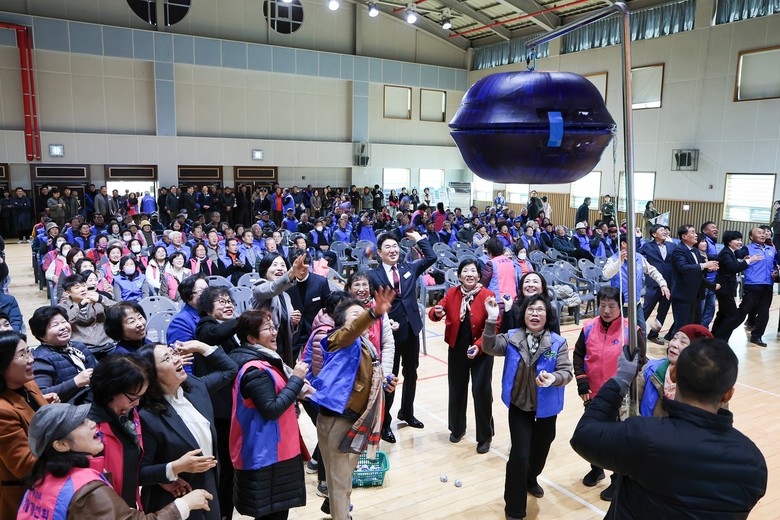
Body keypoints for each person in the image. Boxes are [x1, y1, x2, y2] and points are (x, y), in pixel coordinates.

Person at [571, 339, 767, 518]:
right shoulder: (753, 463)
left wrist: (621, 380)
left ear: (673, 375)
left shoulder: (645, 438)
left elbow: (584, 435)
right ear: (728, 394)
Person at [19, 403, 213, 519]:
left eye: (86, 418)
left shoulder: (42, 477)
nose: (92, 423)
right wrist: (185, 504)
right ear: (61, 445)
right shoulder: (87, 490)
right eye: (80, 423)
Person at [481, 295, 573, 519]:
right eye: (531, 310)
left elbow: (566, 372)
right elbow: (489, 346)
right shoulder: (513, 337)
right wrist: (491, 320)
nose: (535, 314)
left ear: (547, 316)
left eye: (540, 310)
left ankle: (531, 479)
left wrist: (553, 378)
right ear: (524, 314)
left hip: (546, 409)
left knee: (540, 452)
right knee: (519, 456)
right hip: (519, 406)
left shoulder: (558, 342)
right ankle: (514, 509)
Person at [310, 289, 397, 520]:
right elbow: (350, 332)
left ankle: (338, 513)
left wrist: (384, 383)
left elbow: (365, 378)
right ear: (342, 323)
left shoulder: (364, 344)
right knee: (341, 483)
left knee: (339, 479)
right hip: (338, 420)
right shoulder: (338, 339)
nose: (362, 318)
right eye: (356, 316)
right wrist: (372, 313)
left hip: (349, 418)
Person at [136, 341, 237, 520]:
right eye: (167, 359)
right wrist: (175, 467)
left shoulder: (195, 388)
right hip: (174, 499)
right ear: (152, 374)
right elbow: (140, 473)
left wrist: (200, 346)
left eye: (173, 353)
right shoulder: (147, 416)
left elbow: (230, 369)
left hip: (210, 487)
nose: (176, 359)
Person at [230, 309, 311, 520]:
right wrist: (296, 379)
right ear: (251, 338)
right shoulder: (254, 370)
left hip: (276, 450)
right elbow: (272, 409)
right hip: (267, 455)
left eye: (274, 327)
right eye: (267, 328)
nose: (274, 332)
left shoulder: (266, 360)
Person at [573, 286, 646, 500]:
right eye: (602, 305)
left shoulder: (631, 330)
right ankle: (596, 469)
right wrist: (582, 381)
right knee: (593, 433)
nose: (606, 310)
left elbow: (641, 361)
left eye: (611, 306)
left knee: (616, 439)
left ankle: (617, 480)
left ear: (620, 307)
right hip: (593, 392)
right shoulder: (588, 327)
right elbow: (578, 355)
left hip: (619, 396)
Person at [367, 230, 436, 441]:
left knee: (411, 373)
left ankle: (407, 412)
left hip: (412, 329)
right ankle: (384, 422)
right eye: (387, 247)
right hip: (390, 334)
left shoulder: (409, 268)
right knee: (389, 377)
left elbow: (431, 257)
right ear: (379, 252)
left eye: (395, 246)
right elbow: (369, 303)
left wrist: (420, 239)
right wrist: (383, 321)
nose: (392, 250)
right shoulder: (373, 275)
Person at [429, 259, 495, 453]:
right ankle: (457, 428)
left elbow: (495, 325)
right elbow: (435, 312)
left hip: (481, 351)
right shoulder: (452, 293)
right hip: (457, 350)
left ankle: (485, 436)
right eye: (465, 271)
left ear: (479, 275)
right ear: (459, 276)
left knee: (481, 393)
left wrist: (479, 346)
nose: (469, 274)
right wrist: (436, 312)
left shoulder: (487, 295)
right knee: (456, 390)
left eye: (473, 271)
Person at [0, 331, 56, 519]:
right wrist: (72, 452)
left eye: (29, 351)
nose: (31, 359)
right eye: (22, 355)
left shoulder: (27, 384)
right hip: (27, 496)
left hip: (49, 483)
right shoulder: (2, 410)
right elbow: (25, 465)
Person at [87, 354, 149, 508]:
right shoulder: (88, 429)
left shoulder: (129, 414)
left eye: (140, 397)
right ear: (110, 390)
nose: (137, 403)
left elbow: (132, 468)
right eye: (132, 398)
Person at [636, 324, 712, 418]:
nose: (674, 344)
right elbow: (630, 403)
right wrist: (638, 425)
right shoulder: (651, 369)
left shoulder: (708, 387)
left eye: (683, 342)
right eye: (674, 338)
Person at [602, 234, 669, 334]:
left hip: (636, 303)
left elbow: (652, 271)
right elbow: (606, 274)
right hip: (618, 304)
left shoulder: (639, 257)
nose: (636, 244)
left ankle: (641, 345)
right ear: (623, 243)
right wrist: (619, 261)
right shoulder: (613, 259)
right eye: (633, 241)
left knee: (642, 330)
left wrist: (662, 284)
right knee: (616, 332)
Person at [30, 306, 98, 403]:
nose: (63, 327)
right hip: (71, 408)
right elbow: (42, 394)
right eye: (55, 325)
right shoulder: (41, 359)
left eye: (64, 322)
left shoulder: (79, 346)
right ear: (42, 336)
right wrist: (75, 382)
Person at [252, 253, 308, 366]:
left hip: (283, 347)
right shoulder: (259, 288)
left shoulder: (285, 296)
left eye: (283, 265)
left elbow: (286, 328)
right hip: (263, 349)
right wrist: (292, 273)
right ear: (265, 270)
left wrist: (293, 322)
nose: (280, 268)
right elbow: (273, 288)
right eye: (275, 265)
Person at [669, 225, 718, 337]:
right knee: (681, 326)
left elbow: (697, 270)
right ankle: (675, 345)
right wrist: (704, 265)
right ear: (684, 236)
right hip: (683, 294)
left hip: (695, 294)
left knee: (693, 324)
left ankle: (689, 346)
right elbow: (683, 268)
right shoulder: (678, 250)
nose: (696, 235)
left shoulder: (695, 250)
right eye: (692, 232)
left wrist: (708, 268)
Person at [737, 227, 777, 347]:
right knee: (743, 311)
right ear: (751, 237)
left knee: (764, 313)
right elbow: (736, 258)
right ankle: (725, 332)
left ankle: (757, 336)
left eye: (763, 233)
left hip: (768, 285)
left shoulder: (771, 249)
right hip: (752, 285)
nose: (763, 235)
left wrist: (775, 271)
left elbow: (775, 265)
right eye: (759, 233)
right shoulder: (747, 249)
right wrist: (744, 260)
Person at [58, 274, 115, 357]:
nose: (83, 289)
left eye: (84, 285)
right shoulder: (63, 307)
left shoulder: (97, 299)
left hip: (107, 345)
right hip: (82, 350)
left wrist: (101, 300)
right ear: (68, 292)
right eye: (77, 287)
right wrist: (80, 306)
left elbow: (120, 309)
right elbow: (64, 321)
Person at [640, 224, 673, 345]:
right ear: (654, 234)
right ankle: (636, 333)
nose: (665, 232)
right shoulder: (647, 246)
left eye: (665, 230)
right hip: (653, 283)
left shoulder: (672, 245)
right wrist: (637, 238)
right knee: (646, 309)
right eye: (661, 230)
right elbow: (636, 253)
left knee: (663, 311)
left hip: (668, 283)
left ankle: (653, 335)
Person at [167, 275, 209, 349]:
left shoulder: (211, 312)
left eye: (208, 289)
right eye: (201, 291)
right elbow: (183, 354)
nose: (208, 294)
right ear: (188, 295)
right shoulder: (180, 322)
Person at [480, 237, 518, 305]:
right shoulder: (511, 262)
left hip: (498, 300)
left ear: (489, 251)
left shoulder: (491, 263)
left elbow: (483, 282)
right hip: (512, 298)